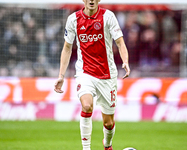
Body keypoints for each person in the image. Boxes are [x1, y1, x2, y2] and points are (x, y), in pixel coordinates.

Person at [54, 0, 130, 150]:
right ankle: (86, 148)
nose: (91, 0)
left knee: (108, 123)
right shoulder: (73, 19)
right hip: (85, 72)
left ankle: (107, 144)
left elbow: (120, 42)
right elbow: (67, 48)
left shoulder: (108, 17)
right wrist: (61, 76)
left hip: (107, 75)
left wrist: (126, 61)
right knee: (87, 106)